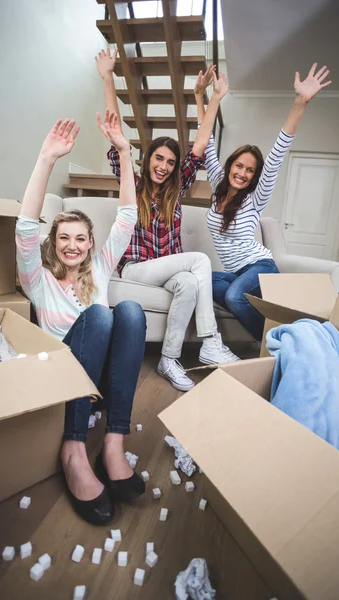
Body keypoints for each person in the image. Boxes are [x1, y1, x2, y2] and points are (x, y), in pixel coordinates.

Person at [16, 110, 146, 526]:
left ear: (91, 245)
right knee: (101, 317)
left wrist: (125, 150)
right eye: (63, 238)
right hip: (63, 381)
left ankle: (112, 442)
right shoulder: (38, 280)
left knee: (128, 310)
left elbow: (127, 216)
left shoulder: (101, 269)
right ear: (53, 243)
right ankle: (73, 449)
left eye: (80, 239)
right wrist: (46, 158)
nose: (72, 246)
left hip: (101, 380)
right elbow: (24, 227)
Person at [95, 48, 239, 393]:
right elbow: (117, 136)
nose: (164, 166)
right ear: (148, 161)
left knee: (189, 282)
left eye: (170, 162)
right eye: (158, 159)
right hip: (135, 268)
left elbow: (200, 143)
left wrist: (214, 97)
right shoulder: (134, 183)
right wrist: (107, 76)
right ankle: (209, 339)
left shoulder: (177, 190)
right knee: (200, 260)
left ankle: (169, 359)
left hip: (167, 271)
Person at [195, 63, 332, 342]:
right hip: (237, 272)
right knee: (198, 280)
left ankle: (275, 343)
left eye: (250, 170)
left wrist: (300, 102)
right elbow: (206, 142)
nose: (243, 173)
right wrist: (202, 97)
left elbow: (279, 151)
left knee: (234, 297)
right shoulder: (217, 185)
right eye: (239, 166)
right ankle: (272, 321)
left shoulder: (255, 198)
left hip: (261, 266)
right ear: (230, 164)